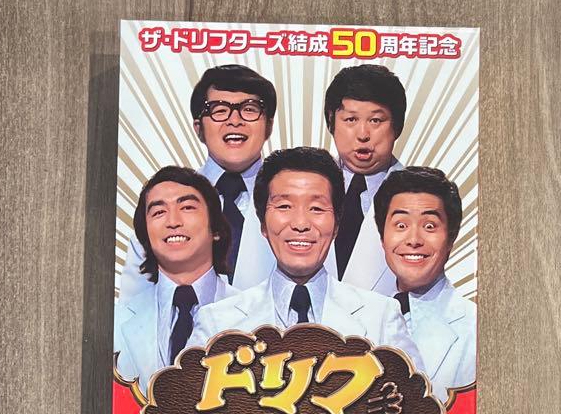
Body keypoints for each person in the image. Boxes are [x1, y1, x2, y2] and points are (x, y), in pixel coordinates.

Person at [189, 147, 420, 362]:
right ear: (262, 223)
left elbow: (417, 393)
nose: (300, 224)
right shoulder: (217, 322)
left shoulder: (382, 317)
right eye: (284, 207)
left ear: (336, 224)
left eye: (316, 208)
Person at [117, 64, 277, 300]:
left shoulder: (294, 200)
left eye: (249, 109)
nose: (235, 120)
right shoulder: (163, 202)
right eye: (219, 110)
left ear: (269, 126)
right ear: (198, 128)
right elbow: (134, 305)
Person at [114, 166, 236, 395]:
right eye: (158, 212)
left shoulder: (258, 315)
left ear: (216, 229)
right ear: (145, 235)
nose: (173, 221)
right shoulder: (114, 322)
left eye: (187, 207)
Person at [373, 166, 477, 400]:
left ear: (451, 238)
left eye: (429, 226)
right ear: (382, 237)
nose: (413, 240)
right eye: (401, 225)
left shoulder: (476, 328)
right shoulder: (359, 319)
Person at [323, 64, 407, 294]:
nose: (363, 134)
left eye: (376, 121)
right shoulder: (303, 184)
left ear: (397, 126)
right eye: (350, 119)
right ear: (331, 121)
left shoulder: (422, 197)